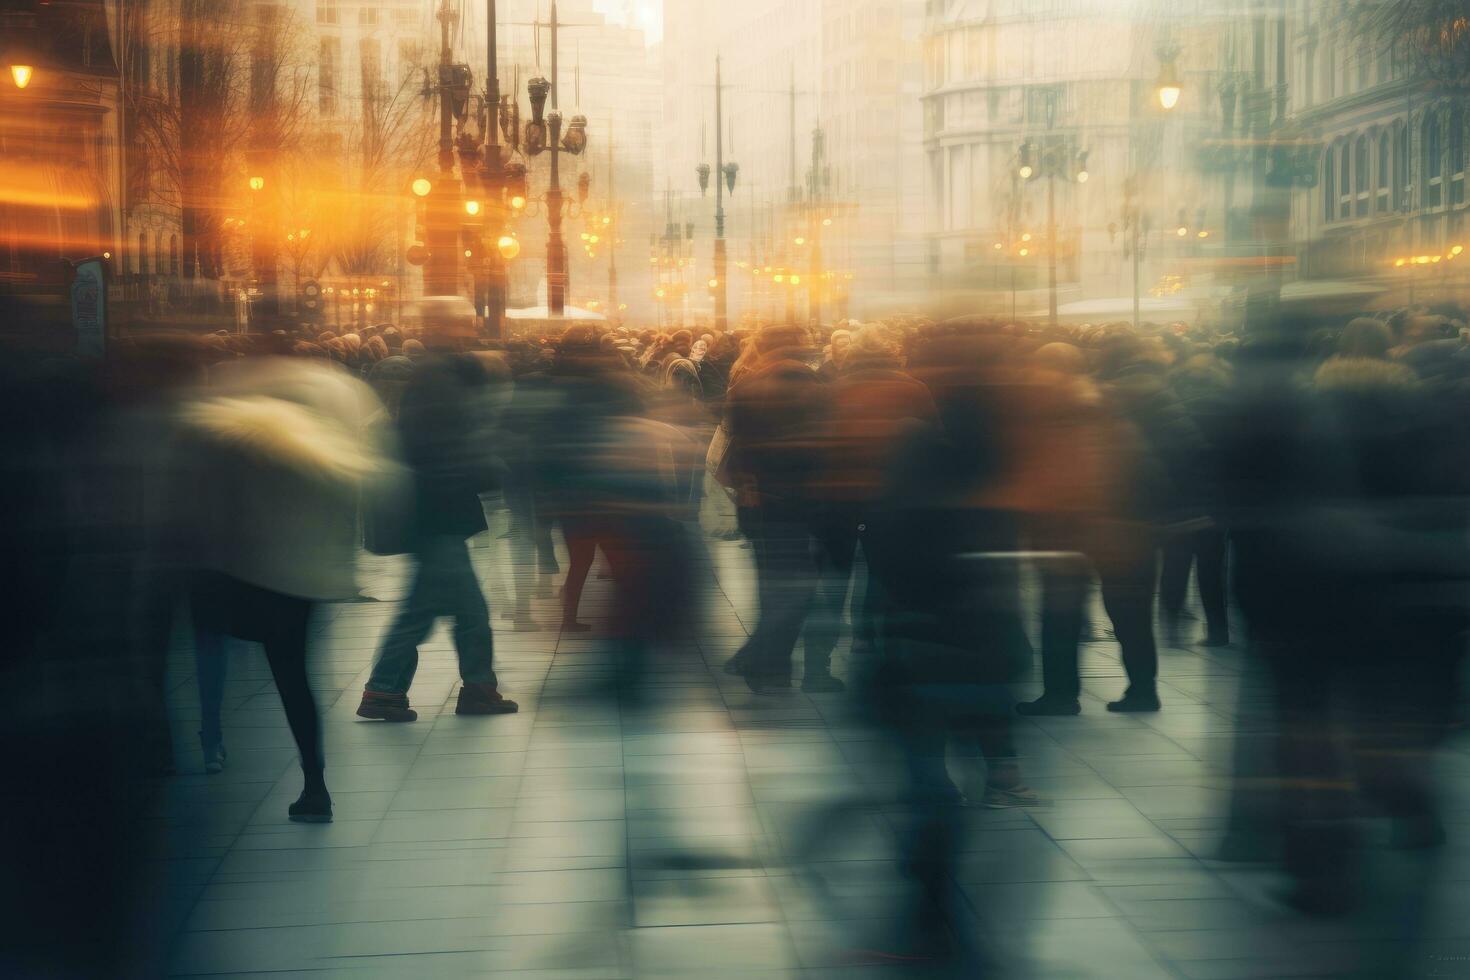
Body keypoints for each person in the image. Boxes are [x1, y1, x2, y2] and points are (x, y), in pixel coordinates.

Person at [170, 357, 398, 821]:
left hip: (238, 567)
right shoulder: (325, 424)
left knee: (211, 644)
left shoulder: (234, 418)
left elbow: (209, 495)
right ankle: (315, 784)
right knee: (294, 679)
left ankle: (211, 737)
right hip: (295, 577)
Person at [357, 351, 519, 722]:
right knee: (432, 615)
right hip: (438, 525)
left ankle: (470, 689)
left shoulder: (421, 410)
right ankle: (386, 690)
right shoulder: (439, 413)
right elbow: (451, 465)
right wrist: (489, 468)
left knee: (455, 612)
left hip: (432, 525)